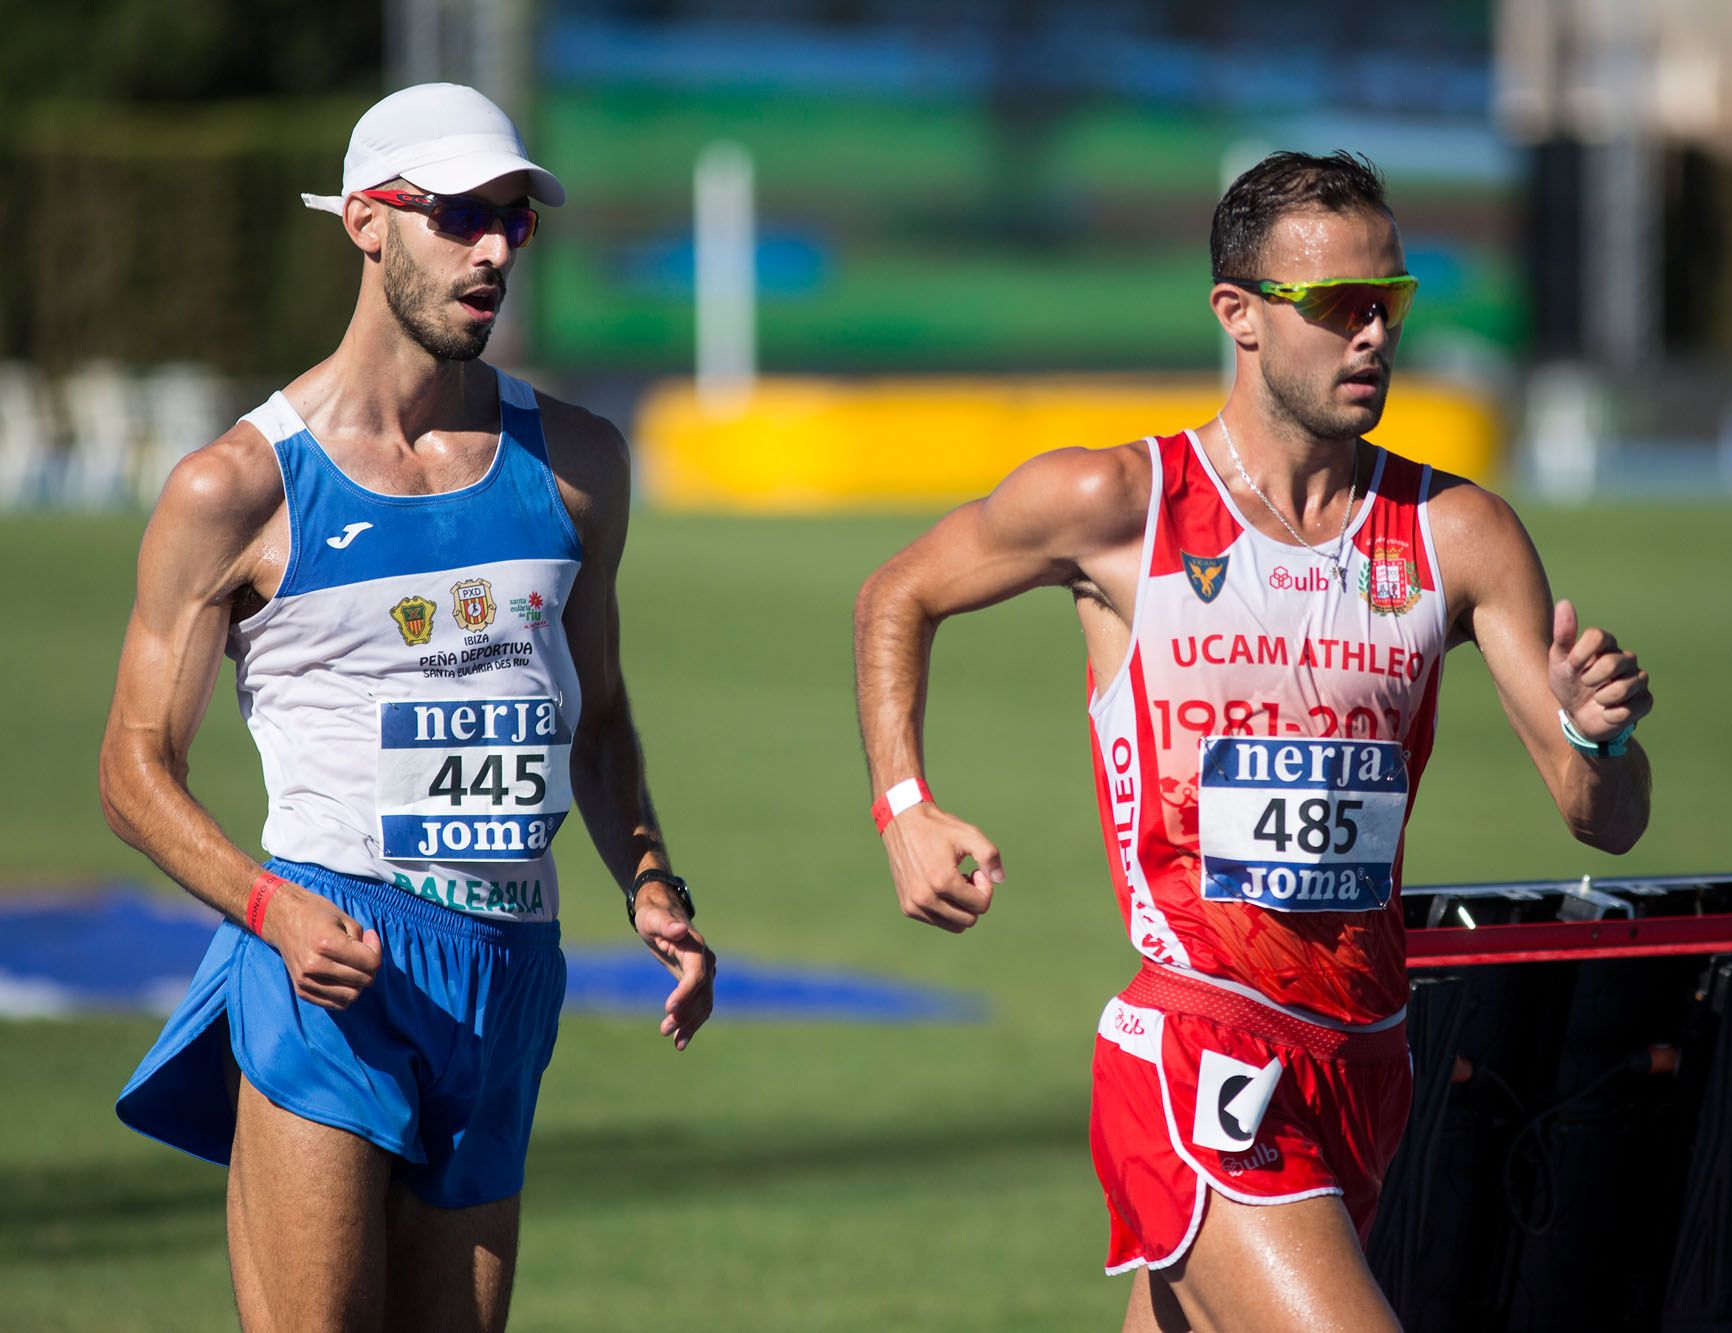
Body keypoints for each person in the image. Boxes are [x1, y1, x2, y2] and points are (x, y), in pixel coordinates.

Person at [853, 150, 1652, 1332]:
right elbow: (895, 594)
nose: (1371, 334)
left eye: (1389, 303)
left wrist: (1603, 739)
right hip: (1197, 1044)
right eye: (1335, 307)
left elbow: (1605, 819)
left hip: (1368, 1056)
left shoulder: (1459, 532)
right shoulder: (1117, 503)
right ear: (1237, 314)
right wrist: (904, 804)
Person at [100, 83, 715, 1332]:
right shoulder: (239, 485)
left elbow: (592, 718)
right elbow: (131, 767)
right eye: (458, 217)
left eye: (513, 222)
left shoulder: (579, 461)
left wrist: (652, 881)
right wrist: (270, 910)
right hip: (332, 957)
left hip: (510, 964)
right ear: (367, 223)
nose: (492, 250)